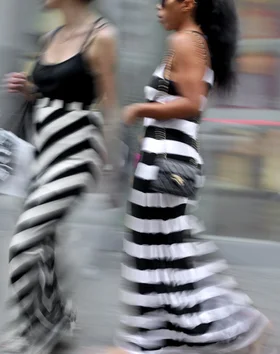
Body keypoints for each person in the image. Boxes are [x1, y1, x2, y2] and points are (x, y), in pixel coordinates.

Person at [102, 0, 272, 352]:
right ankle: (152, 338)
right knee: (163, 251)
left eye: (164, 2)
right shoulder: (192, 41)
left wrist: (139, 108)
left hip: (166, 162)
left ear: (187, 4)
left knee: (160, 253)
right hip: (168, 159)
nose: (157, 8)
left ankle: (231, 326)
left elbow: (193, 103)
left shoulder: (185, 41)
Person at [0, 0, 120, 352]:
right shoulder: (50, 36)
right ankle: (58, 318)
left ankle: (25, 330)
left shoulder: (101, 36)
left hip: (78, 153)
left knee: (25, 241)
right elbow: (49, 91)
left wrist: (111, 173)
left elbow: (110, 108)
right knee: (44, 245)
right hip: (43, 151)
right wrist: (27, 88)